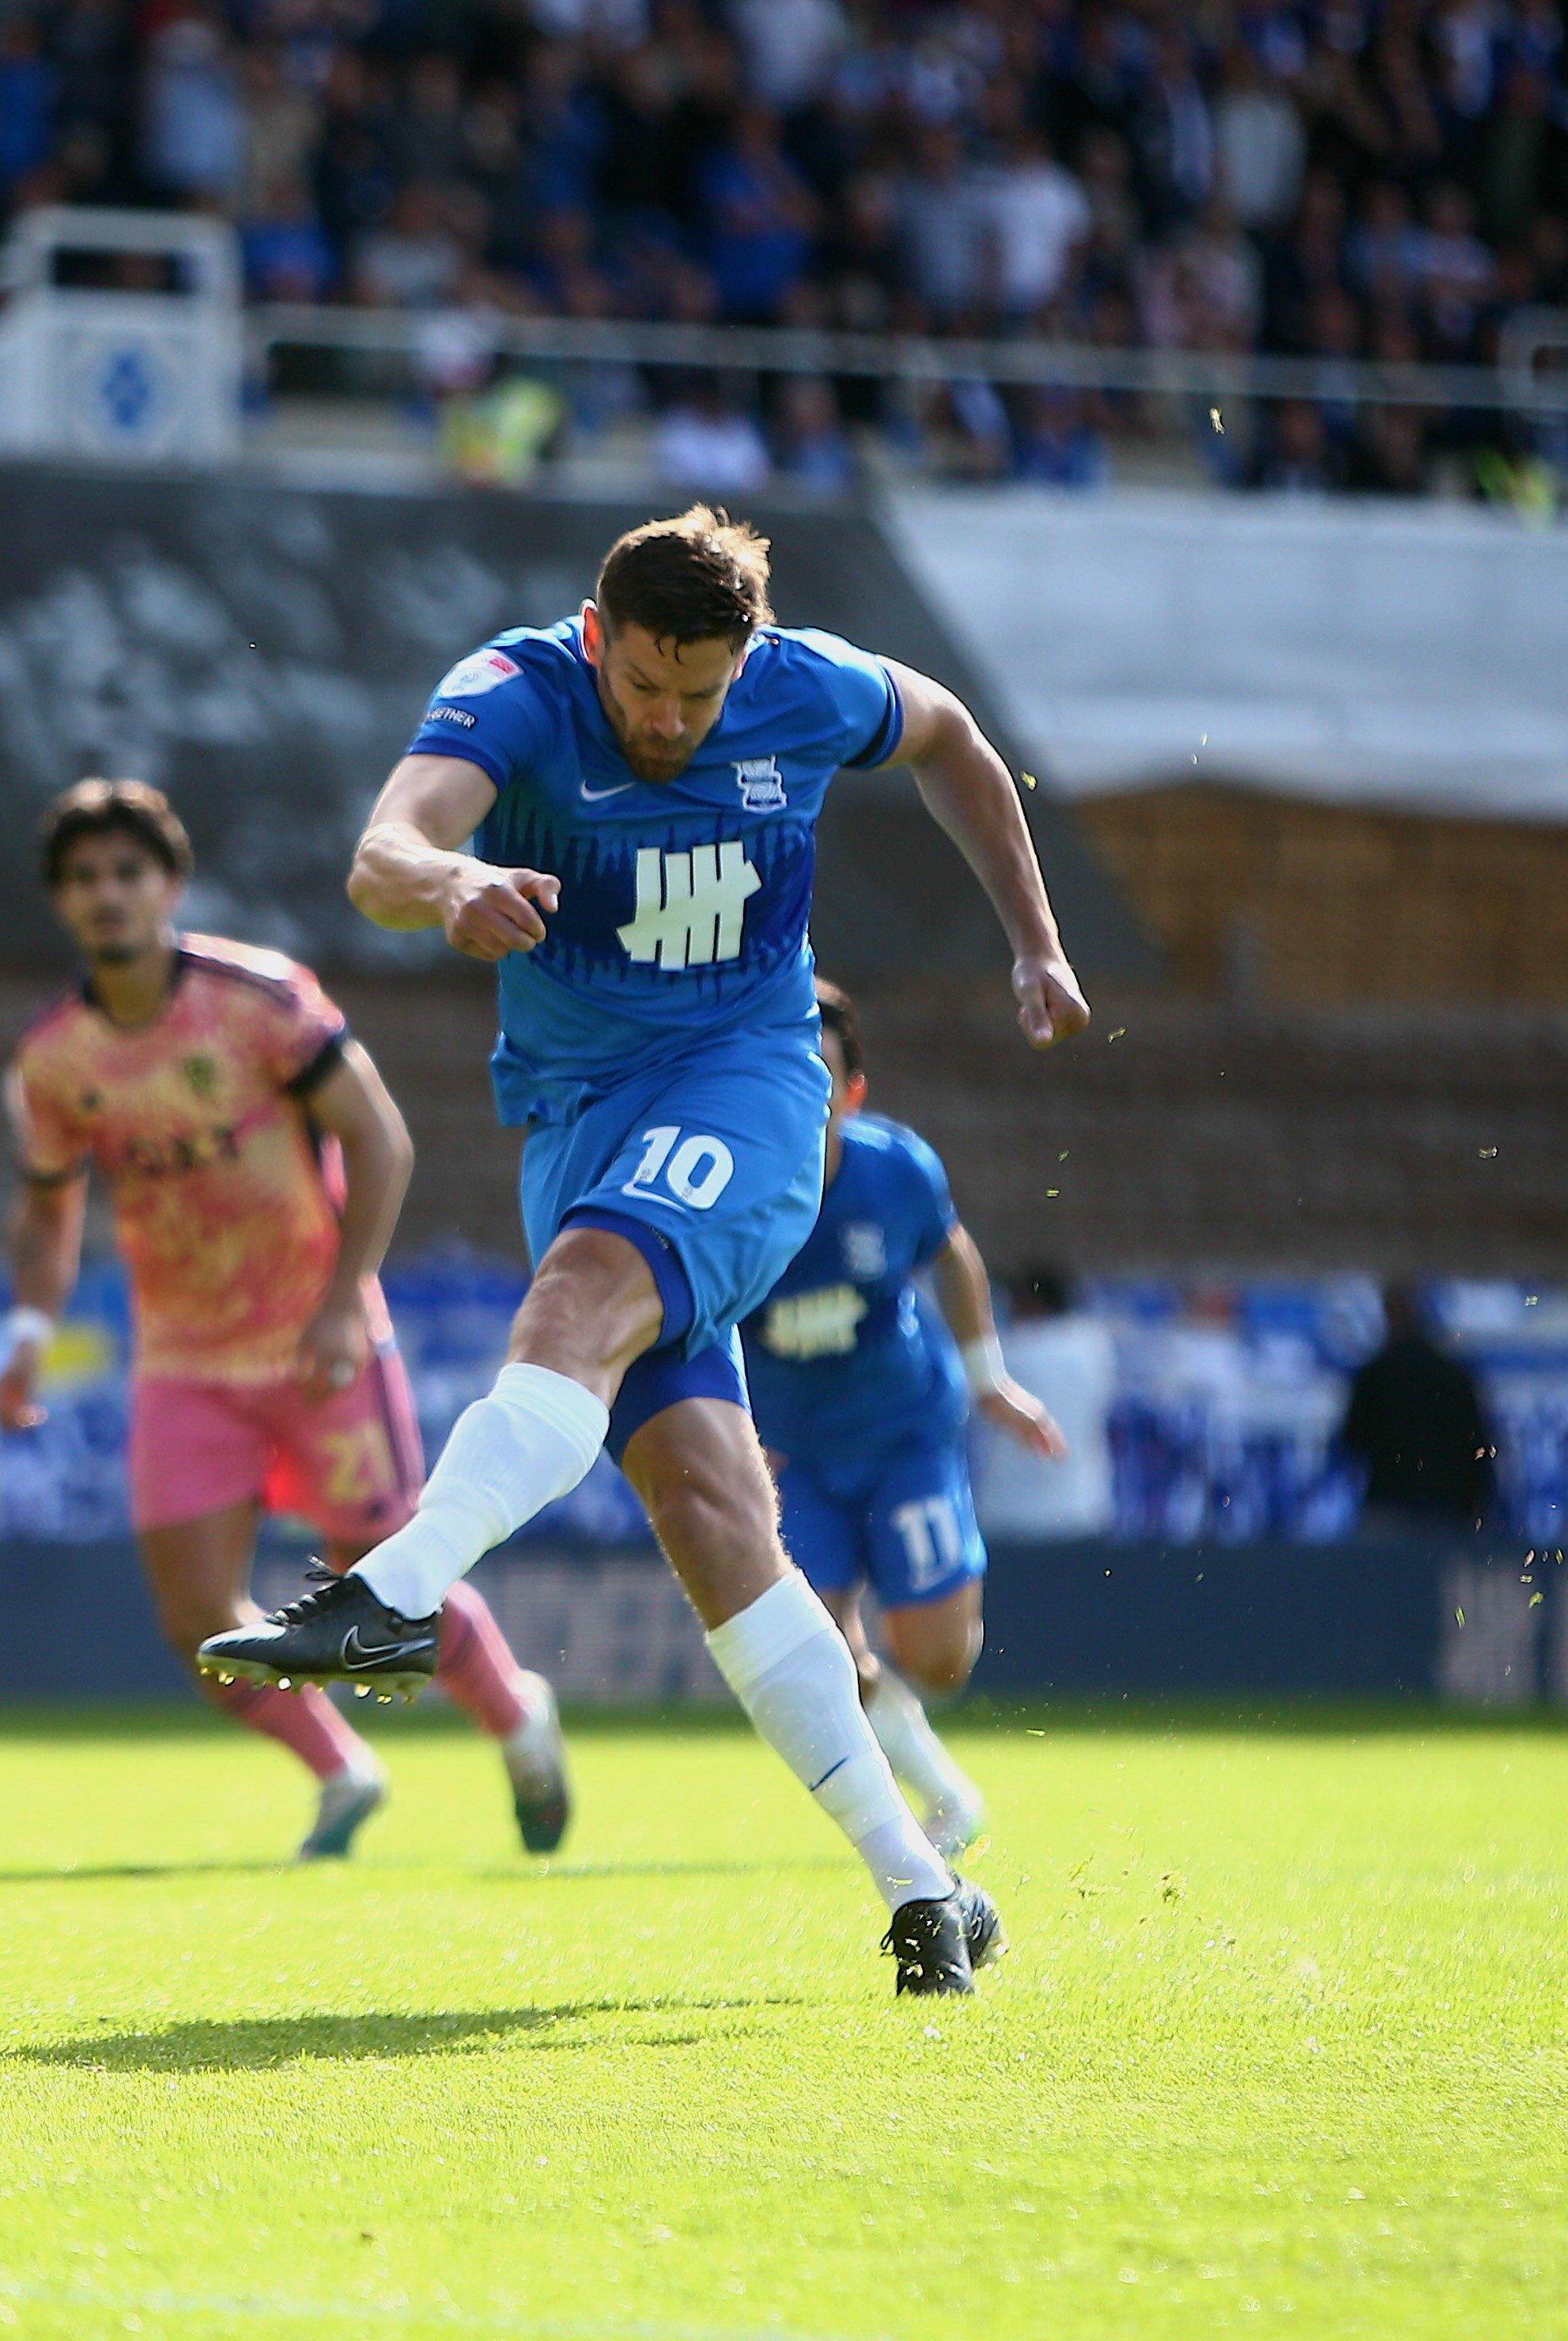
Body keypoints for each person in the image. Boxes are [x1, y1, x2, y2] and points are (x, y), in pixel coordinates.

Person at [201, 503, 1092, 1995]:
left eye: (701, 696)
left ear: (745, 660)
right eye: (644, 692)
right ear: (599, 638)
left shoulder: (806, 683)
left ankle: (394, 1597)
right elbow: (381, 853)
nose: (669, 722)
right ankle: (925, 1887)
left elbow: (950, 738)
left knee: (579, 1296)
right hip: (574, 1116)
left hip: (746, 1085)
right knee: (708, 1515)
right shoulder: (518, 691)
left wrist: (1036, 938)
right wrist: (453, 887)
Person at [0, 781, 572, 1862]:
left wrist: (342, 1302)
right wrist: (29, 1335)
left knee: (385, 1582)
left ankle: (515, 1718)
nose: (106, 896)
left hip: (319, 1349)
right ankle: (342, 1769)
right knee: (195, 1621)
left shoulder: (258, 1001)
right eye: (83, 880)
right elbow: (44, 1210)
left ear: (168, 883)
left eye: (127, 873)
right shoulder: (54, 1058)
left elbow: (380, 1141)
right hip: (182, 1364)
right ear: (60, 903)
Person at [743, 978, 1066, 1866]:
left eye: (816, 1076)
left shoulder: (896, 1172)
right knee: (817, 1652)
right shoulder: (727, 1193)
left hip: (903, 1435)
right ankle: (943, 1798)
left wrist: (987, 1378)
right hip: (796, 1454)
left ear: (850, 1092)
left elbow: (950, 1251)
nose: (795, 1095)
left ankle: (942, 1775)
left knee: (938, 1659)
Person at [1338, 1283, 1496, 1538]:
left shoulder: (1376, 1374)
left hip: (1392, 1506)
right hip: (1447, 1510)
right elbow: (1478, 1448)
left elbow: (1352, 1440)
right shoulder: (1454, 1375)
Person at [970, 1261, 1114, 1541]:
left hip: (1010, 1513)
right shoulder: (1094, 1345)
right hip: (1083, 1509)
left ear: (1031, 1302)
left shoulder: (1008, 1352)